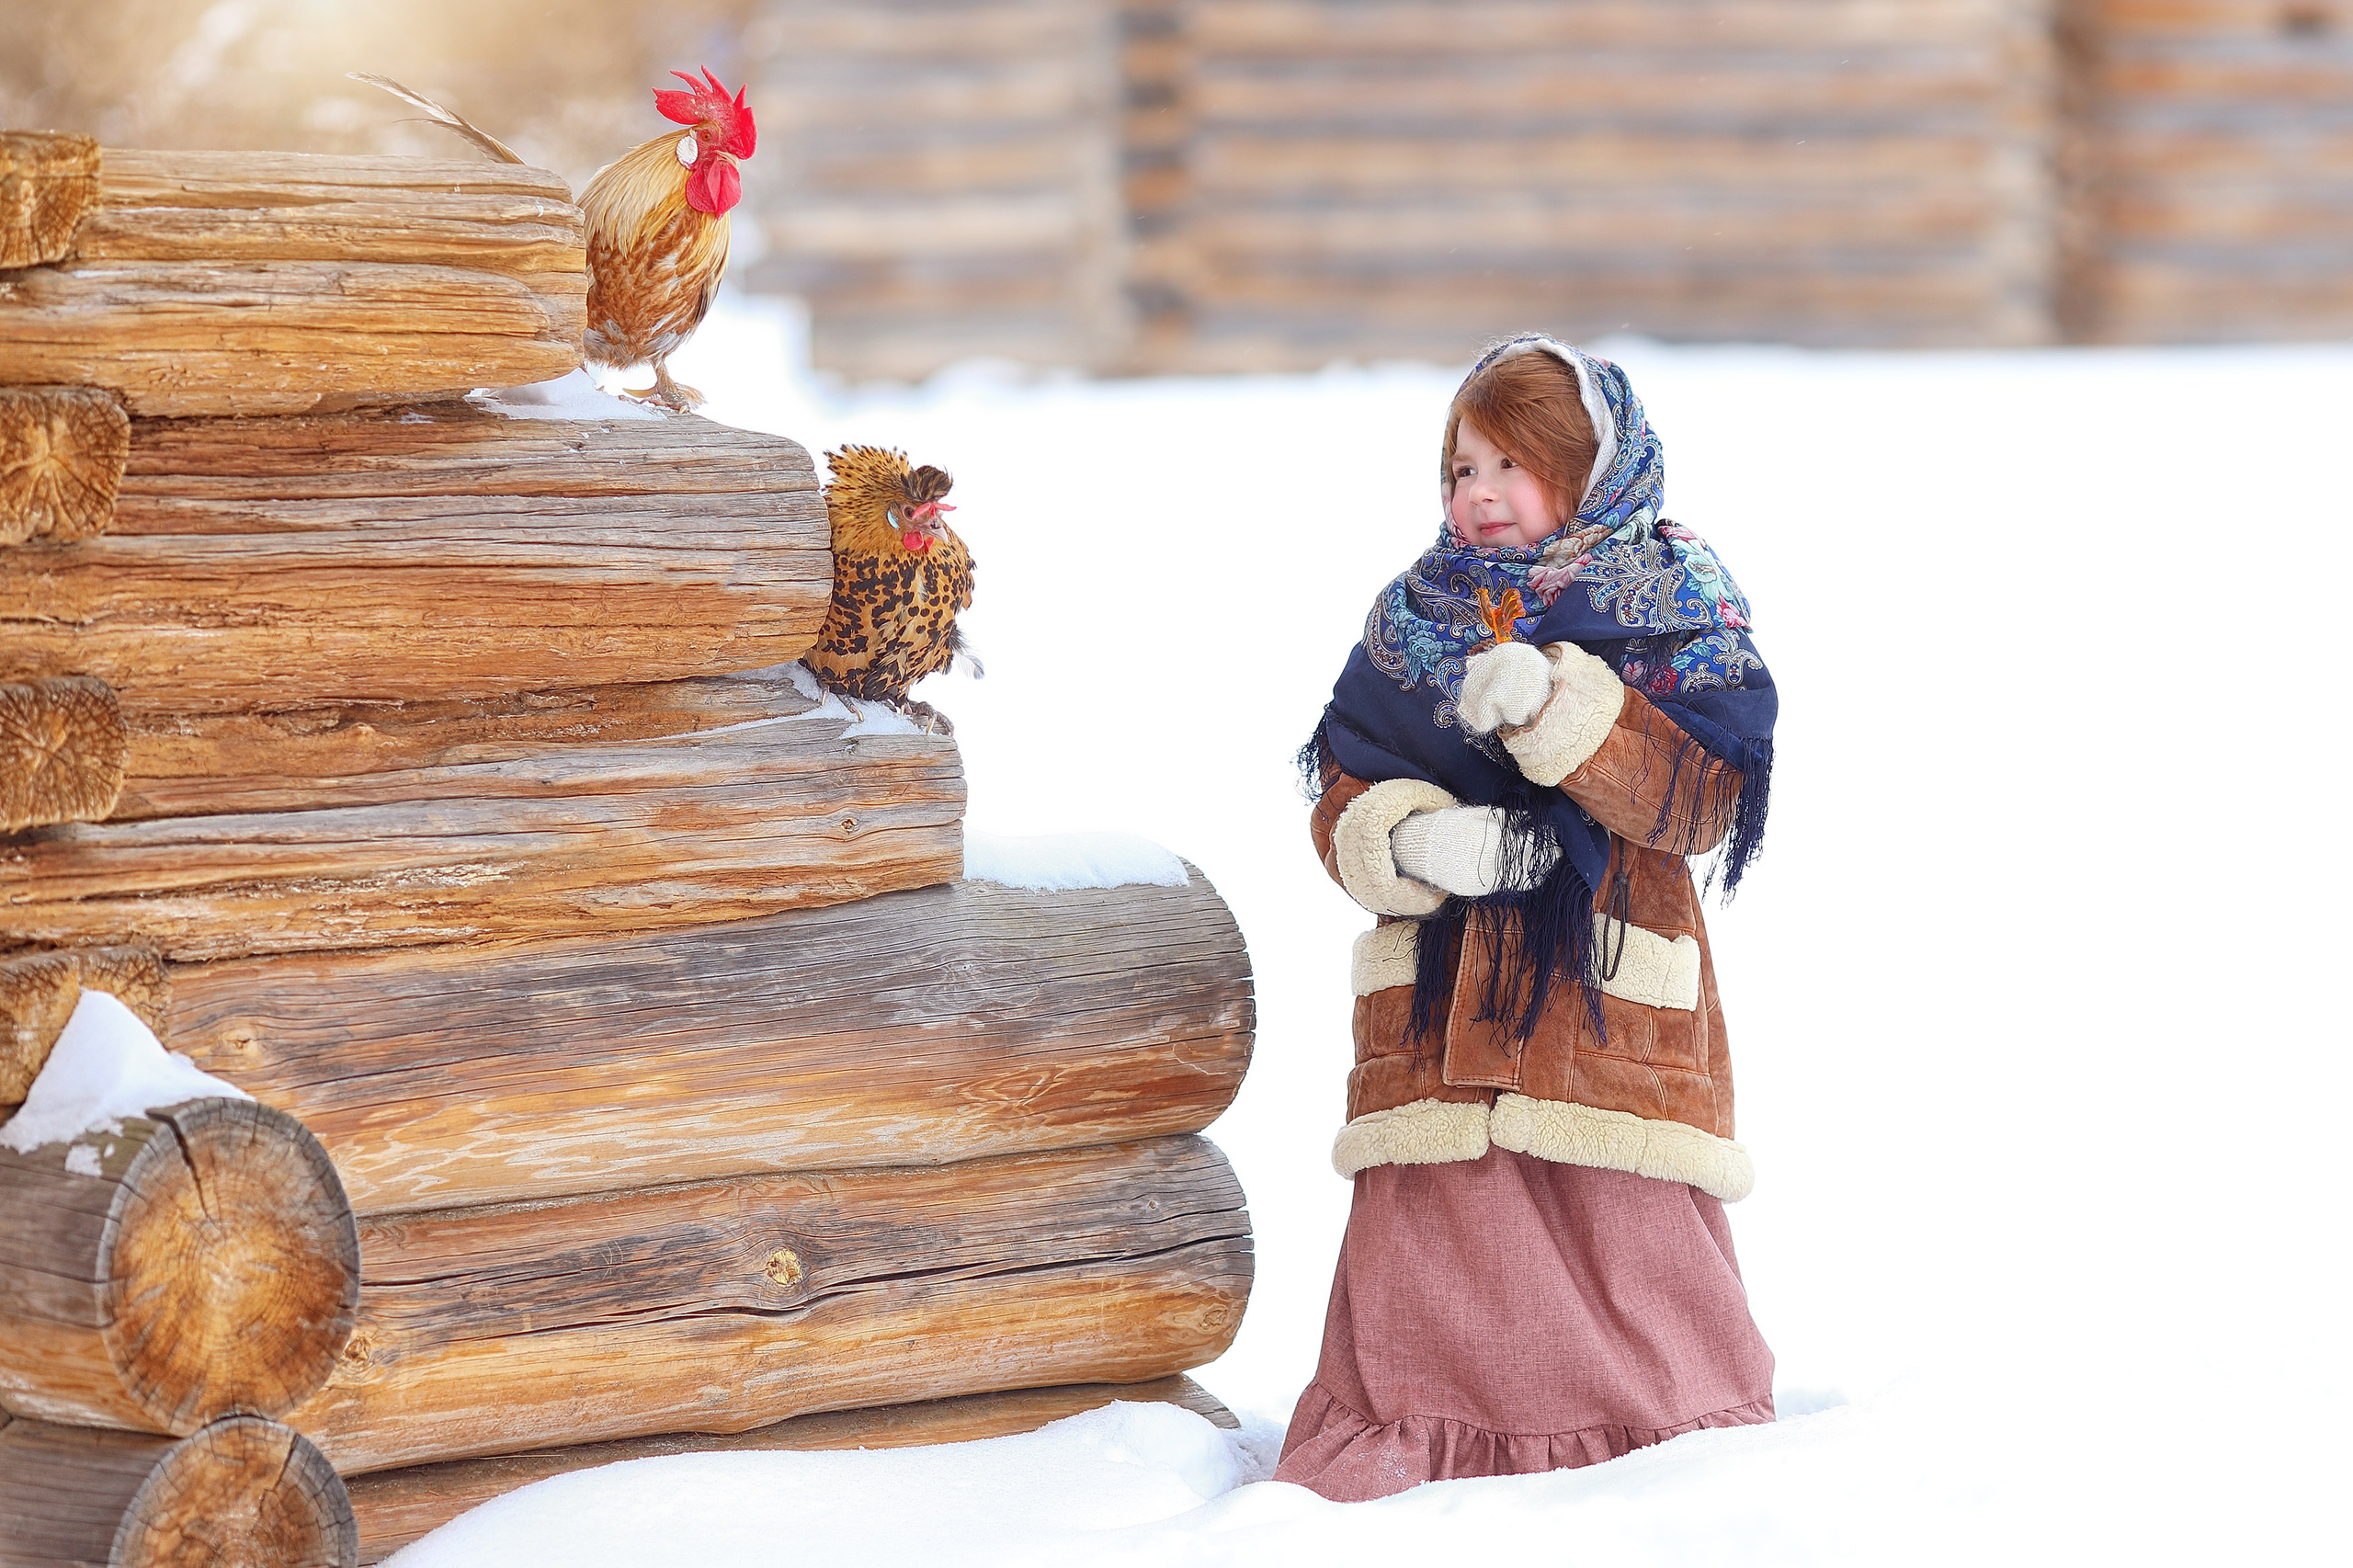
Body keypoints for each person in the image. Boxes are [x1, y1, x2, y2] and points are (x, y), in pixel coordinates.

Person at [1277, 335, 1779, 1500]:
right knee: (1438, 1248)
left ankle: (1642, 1467)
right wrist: (1405, 837)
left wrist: (1565, 711)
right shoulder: (1414, 619)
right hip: (1440, 1006)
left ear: (1591, 471)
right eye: (1461, 467)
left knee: (1621, 1251)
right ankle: (1419, 1443)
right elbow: (1341, 787)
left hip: (1604, 1004)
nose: (1481, 494)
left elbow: (1701, 796)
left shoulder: (1673, 607)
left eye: (1514, 462)